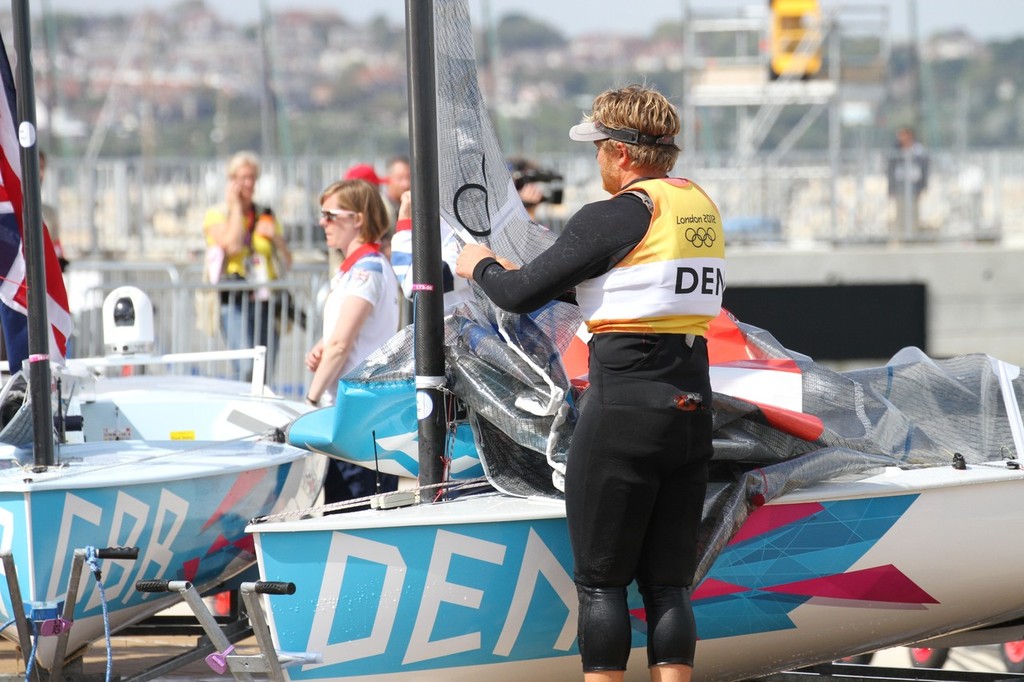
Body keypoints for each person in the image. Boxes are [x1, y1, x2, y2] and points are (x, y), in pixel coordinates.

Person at [455, 84, 725, 682]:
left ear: (623, 153)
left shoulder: (618, 214)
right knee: (668, 586)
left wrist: (479, 264)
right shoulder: (699, 207)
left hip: (626, 411)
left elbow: (519, 294)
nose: (596, 159)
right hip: (691, 411)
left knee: (602, 584)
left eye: (599, 147)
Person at [304, 179, 400, 502]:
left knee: (351, 509)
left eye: (331, 215)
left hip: (356, 415)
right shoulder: (361, 268)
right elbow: (343, 339)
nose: (323, 222)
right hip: (359, 412)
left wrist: (311, 399)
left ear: (357, 219)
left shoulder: (366, 270)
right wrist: (325, 344)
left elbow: (342, 345)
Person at [203, 151, 292, 381]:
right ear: (231, 180)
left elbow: (287, 260)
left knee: (264, 371)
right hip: (233, 300)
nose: (249, 183)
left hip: (265, 300)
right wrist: (235, 208)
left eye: (252, 177)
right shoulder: (217, 214)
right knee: (244, 368)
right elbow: (231, 246)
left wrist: (277, 239)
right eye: (242, 178)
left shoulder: (266, 214)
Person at [887, 126, 929, 240]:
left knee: (913, 212)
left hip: (914, 186)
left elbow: (924, 169)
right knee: (900, 212)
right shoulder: (896, 150)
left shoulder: (918, 150)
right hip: (900, 186)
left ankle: (914, 236)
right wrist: (891, 188)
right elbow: (891, 170)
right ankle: (901, 236)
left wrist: (923, 186)